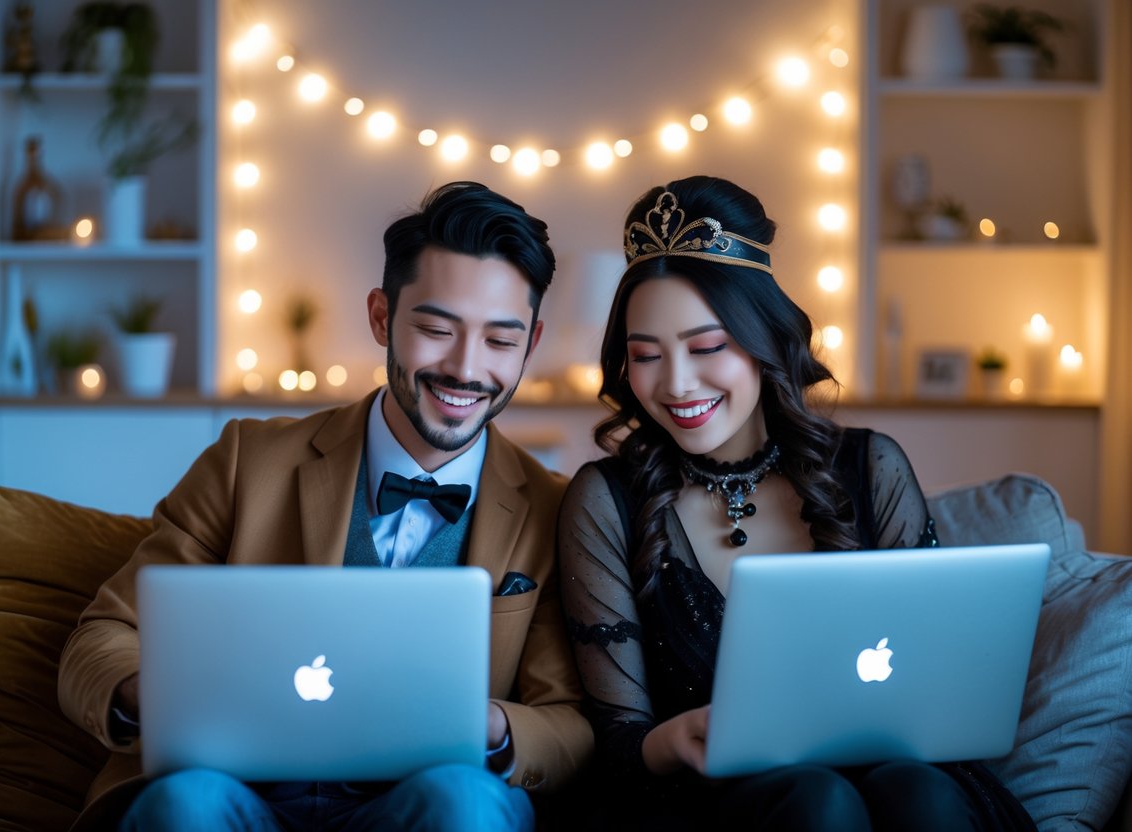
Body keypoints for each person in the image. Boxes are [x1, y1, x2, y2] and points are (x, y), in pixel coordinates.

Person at [58, 181, 593, 832]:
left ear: (530, 345)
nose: (464, 367)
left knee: (465, 804)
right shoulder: (245, 461)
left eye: (499, 342)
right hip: (233, 793)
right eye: (434, 329)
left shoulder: (554, 507)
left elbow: (568, 718)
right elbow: (103, 637)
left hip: (423, 803)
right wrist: (157, 695)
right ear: (380, 317)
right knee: (185, 804)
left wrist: (491, 725)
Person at [557, 175, 1035, 831]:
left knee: (916, 792)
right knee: (818, 799)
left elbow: (934, 681)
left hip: (896, 780)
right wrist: (674, 739)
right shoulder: (605, 500)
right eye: (645, 356)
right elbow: (611, 740)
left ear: (762, 338)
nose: (675, 383)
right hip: (706, 801)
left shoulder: (871, 467)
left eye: (706, 348)